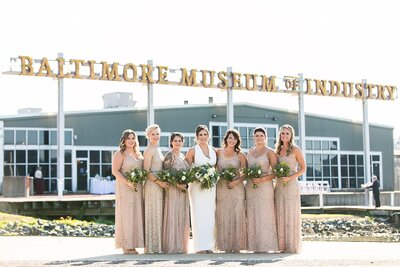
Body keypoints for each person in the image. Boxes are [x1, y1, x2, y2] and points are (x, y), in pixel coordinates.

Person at [246, 127, 278, 253]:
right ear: (253, 137)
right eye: (256, 135)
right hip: (251, 186)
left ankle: (266, 245)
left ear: (265, 137)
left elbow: (275, 172)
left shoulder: (270, 152)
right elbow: (246, 170)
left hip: (265, 186)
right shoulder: (250, 151)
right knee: (253, 214)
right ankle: (254, 245)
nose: (259, 137)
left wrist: (262, 180)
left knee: (265, 214)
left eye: (261, 135)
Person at [185, 125, 217, 253]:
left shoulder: (214, 150)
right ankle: (199, 247)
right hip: (197, 186)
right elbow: (185, 169)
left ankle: (210, 245)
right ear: (196, 137)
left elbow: (216, 168)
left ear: (208, 136)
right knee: (198, 214)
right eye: (200, 135)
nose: (203, 137)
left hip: (210, 187)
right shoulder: (192, 150)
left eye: (205, 134)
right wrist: (197, 176)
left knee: (210, 215)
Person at [111, 129, 144, 254]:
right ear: (124, 140)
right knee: (126, 216)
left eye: (133, 138)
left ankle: (134, 243)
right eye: (128, 138)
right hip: (125, 188)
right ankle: (126, 245)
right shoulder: (120, 154)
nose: (131, 140)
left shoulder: (138, 154)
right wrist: (128, 182)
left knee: (136, 215)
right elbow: (115, 171)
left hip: (138, 189)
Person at [275, 124, 306, 253]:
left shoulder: (296, 149)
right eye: (282, 133)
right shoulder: (277, 150)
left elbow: (303, 169)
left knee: (291, 214)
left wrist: (290, 177)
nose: (285, 136)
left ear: (291, 135)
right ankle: (281, 246)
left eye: (287, 133)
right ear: (280, 135)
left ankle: (292, 245)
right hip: (279, 185)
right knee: (280, 213)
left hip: (291, 185)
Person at [215, 129, 247, 253]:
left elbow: (245, 174)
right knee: (223, 214)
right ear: (226, 139)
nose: (232, 140)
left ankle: (237, 245)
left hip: (237, 188)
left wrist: (236, 182)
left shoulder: (240, 155)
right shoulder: (218, 153)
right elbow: (214, 170)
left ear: (237, 140)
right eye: (230, 137)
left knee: (236, 214)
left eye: (234, 138)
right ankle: (224, 245)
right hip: (222, 187)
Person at [162, 132, 190, 253]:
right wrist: (178, 185)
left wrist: (186, 183)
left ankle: (180, 245)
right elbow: (166, 173)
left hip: (183, 191)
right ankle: (172, 246)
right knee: (173, 215)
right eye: (175, 140)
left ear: (183, 142)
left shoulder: (183, 156)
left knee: (181, 216)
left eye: (180, 140)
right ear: (171, 142)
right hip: (173, 189)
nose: (177, 143)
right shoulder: (170, 155)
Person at [143, 124, 167, 253]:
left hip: (159, 185)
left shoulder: (157, 148)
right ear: (148, 135)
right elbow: (146, 171)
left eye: (157, 134)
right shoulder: (149, 150)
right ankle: (151, 247)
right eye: (153, 134)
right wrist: (160, 183)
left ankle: (157, 246)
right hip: (152, 185)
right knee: (152, 214)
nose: (156, 136)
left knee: (158, 214)